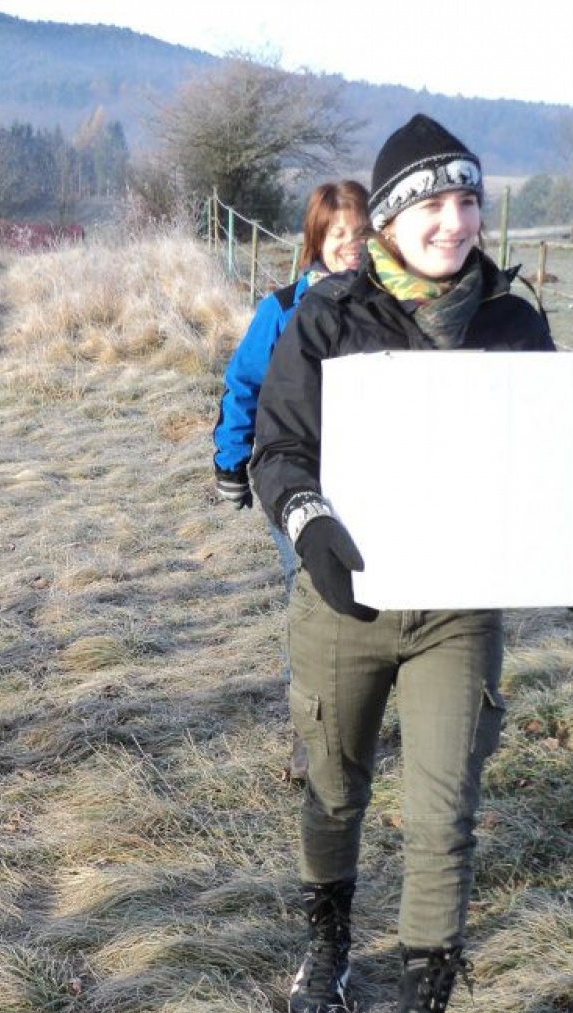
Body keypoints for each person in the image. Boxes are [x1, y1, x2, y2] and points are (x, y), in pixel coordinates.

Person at [249, 115, 555, 1013]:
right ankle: (328, 942)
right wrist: (310, 528)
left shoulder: (513, 324)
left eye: (469, 201)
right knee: (334, 788)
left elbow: (550, 457)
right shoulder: (329, 315)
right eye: (432, 203)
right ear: (386, 219)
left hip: (458, 612)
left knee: (444, 813)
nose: (455, 221)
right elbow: (278, 448)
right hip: (348, 604)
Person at [212, 180, 369, 784]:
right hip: (298, 479)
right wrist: (231, 460)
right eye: (338, 233)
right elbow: (245, 385)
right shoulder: (281, 310)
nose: (351, 245)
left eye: (361, 233)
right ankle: (311, 734)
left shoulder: (387, 307)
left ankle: (361, 712)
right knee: (312, 596)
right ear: (316, 239)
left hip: (372, 482)